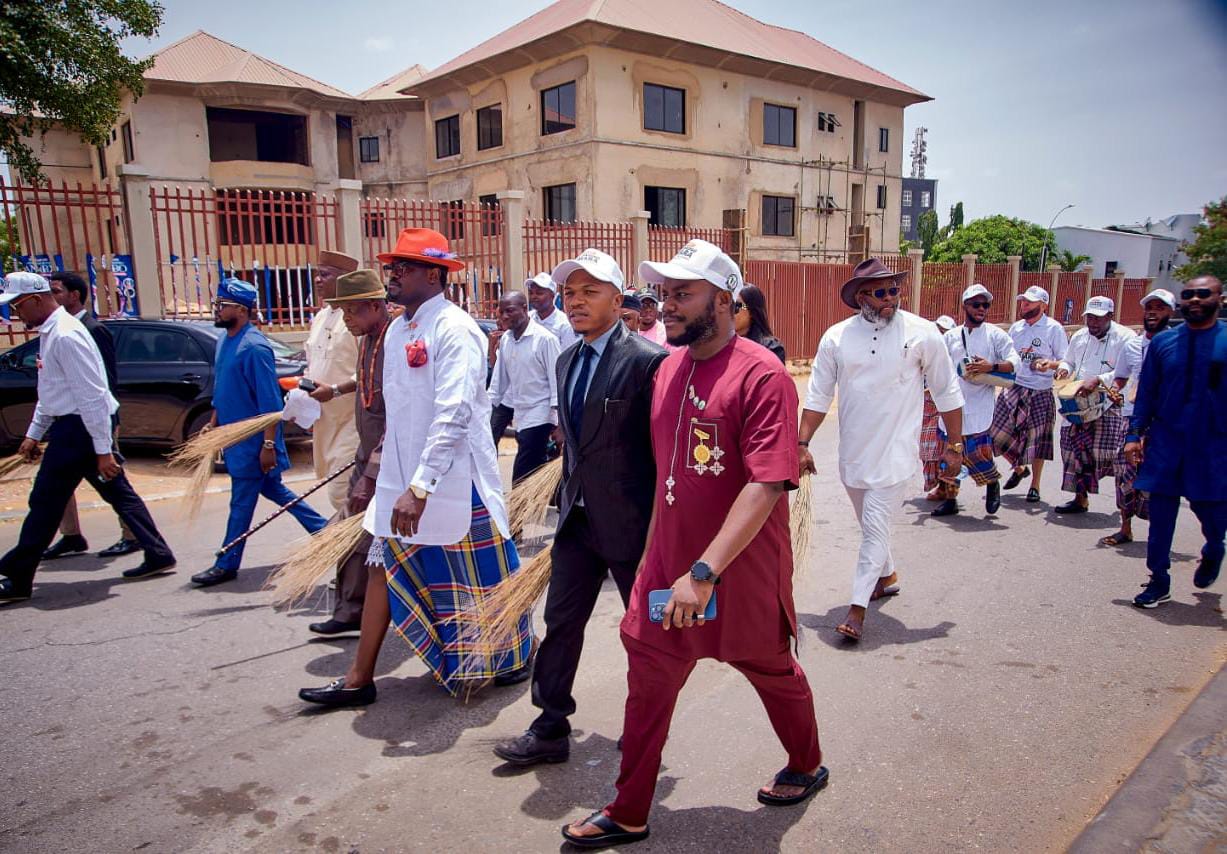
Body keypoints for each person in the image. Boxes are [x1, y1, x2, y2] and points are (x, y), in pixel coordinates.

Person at [563, 240, 825, 849]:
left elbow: (766, 484)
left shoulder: (762, 374)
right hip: (673, 567)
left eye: (683, 293)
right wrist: (656, 561)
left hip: (740, 569)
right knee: (648, 677)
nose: (667, 305)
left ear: (724, 299)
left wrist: (704, 572)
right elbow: (665, 476)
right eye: (664, 293)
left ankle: (807, 764)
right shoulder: (668, 368)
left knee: (770, 670)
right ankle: (629, 810)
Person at [298, 228, 532, 707]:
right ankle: (359, 679)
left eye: (401, 268)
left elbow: (456, 412)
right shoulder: (401, 330)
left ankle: (511, 658)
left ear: (434, 273)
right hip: (401, 482)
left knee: (482, 579)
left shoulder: (455, 329)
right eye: (391, 268)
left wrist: (421, 486)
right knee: (383, 568)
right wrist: (385, 480)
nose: (392, 276)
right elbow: (399, 416)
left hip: (452, 482)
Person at [493, 249, 665, 766]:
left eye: (590, 292)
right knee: (561, 621)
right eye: (570, 293)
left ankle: (644, 725)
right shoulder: (567, 359)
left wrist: (663, 530)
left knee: (645, 633)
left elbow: (661, 453)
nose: (576, 302)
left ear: (618, 298)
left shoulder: (646, 361)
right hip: (577, 521)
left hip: (632, 525)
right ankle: (549, 726)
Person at [800, 258, 964, 642]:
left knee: (874, 528)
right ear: (861, 298)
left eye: (894, 290)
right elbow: (819, 394)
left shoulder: (922, 333)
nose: (890, 299)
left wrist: (955, 444)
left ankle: (857, 609)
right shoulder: (836, 338)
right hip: (853, 455)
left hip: (896, 454)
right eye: (880, 292)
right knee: (870, 524)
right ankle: (886, 576)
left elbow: (946, 390)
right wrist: (802, 443)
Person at [0, 272, 176, 603]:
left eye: (18, 306)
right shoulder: (53, 333)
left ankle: (16, 575)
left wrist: (103, 449)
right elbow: (52, 391)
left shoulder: (66, 336)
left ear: (36, 300)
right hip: (76, 427)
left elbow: (92, 396)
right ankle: (158, 552)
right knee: (118, 493)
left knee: (45, 503)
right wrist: (33, 434)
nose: (15, 315)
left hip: (79, 429)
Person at [189, 279, 329, 588]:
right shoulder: (225, 340)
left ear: (240, 310)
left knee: (241, 503)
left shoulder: (255, 348)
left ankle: (226, 562)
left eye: (222, 306)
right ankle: (326, 532)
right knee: (274, 491)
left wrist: (268, 445)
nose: (218, 310)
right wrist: (213, 423)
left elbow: (269, 405)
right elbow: (223, 389)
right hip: (233, 436)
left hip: (252, 442)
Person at [1127, 275, 1226, 608]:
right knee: (1161, 515)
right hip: (1167, 442)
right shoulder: (1163, 344)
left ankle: (1214, 548)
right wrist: (1134, 434)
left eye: (1203, 294)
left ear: (1219, 299)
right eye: (1188, 295)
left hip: (1213, 446)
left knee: (1213, 514)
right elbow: (1147, 393)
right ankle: (1159, 579)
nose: (1195, 300)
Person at [305, 270, 389, 636]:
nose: (346, 319)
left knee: (372, 535)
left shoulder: (395, 341)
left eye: (352, 311)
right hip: (365, 452)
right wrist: (337, 390)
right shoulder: (366, 338)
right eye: (342, 312)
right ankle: (350, 610)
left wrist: (372, 472)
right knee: (351, 528)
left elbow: (400, 412)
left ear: (374, 306)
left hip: (389, 459)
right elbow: (364, 379)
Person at [41, 270, 139, 560]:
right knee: (57, 485)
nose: (51, 298)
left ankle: (134, 535)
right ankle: (70, 535)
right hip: (68, 423)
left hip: (95, 422)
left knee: (112, 479)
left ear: (74, 295)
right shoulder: (55, 329)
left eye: (56, 292)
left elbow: (103, 384)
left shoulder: (92, 329)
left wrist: (105, 430)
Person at [934, 285, 1021, 517]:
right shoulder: (950, 337)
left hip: (979, 406)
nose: (981, 309)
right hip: (951, 405)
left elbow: (1015, 361)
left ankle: (992, 483)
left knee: (977, 455)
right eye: (976, 304)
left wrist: (990, 366)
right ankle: (950, 499)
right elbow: (938, 366)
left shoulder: (996, 335)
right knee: (950, 455)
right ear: (965, 306)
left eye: (985, 305)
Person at [1101, 289, 1176, 546]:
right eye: (1149, 307)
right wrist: (1115, 389)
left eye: (1160, 307)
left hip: (1163, 422)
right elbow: (1121, 376)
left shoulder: (1177, 345)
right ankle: (1126, 528)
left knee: (1161, 479)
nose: (1153, 311)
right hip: (1131, 418)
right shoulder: (1132, 345)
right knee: (1124, 473)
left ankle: (1161, 536)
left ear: (1170, 312)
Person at [1051, 296, 1136, 515]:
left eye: (1098, 319)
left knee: (1111, 456)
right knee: (1072, 450)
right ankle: (1080, 499)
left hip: (1108, 404)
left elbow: (1124, 372)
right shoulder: (1079, 336)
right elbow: (1068, 361)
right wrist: (1063, 369)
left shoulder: (1126, 338)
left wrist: (1099, 379)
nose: (1093, 323)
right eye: (1090, 318)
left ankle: (1125, 509)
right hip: (1079, 403)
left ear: (1110, 316)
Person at [990, 285, 1068, 504]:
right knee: (996, 431)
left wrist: (1049, 364)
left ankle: (1035, 485)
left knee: (1038, 439)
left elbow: (1065, 360)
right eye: (1023, 301)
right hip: (1015, 386)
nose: (1024, 305)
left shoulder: (1053, 329)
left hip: (1040, 390)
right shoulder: (1016, 328)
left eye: (1029, 302)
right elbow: (1008, 355)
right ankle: (1018, 467)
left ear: (1043, 305)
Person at [302, 250, 361, 513]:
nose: (317, 280)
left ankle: (355, 550)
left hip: (354, 422)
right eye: (316, 274)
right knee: (339, 495)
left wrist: (335, 390)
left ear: (345, 279)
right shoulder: (320, 317)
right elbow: (312, 365)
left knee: (342, 492)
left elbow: (372, 371)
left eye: (324, 274)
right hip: (325, 420)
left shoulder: (359, 318)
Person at [487, 291, 561, 483]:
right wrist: (483, 412)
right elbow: (498, 384)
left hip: (541, 415)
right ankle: (531, 510)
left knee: (522, 473)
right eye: (501, 312)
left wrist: (560, 424)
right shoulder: (506, 340)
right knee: (532, 474)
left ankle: (519, 511)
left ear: (524, 309)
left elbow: (557, 382)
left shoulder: (545, 339)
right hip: (521, 416)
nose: (504, 317)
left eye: (510, 311)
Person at [920, 315, 958, 503]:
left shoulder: (954, 353)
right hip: (926, 402)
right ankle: (940, 486)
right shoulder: (925, 348)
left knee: (946, 448)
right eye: (938, 330)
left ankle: (948, 491)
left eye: (944, 332)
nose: (940, 335)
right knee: (927, 448)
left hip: (945, 404)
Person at [733, 283, 786, 363]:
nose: (729, 312)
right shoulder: (720, 346)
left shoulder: (771, 349)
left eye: (736, 306)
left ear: (752, 311)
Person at [525, 271, 578, 349]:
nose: (533, 297)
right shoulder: (528, 318)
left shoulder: (564, 324)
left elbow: (567, 355)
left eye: (539, 293)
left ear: (552, 296)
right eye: (531, 293)